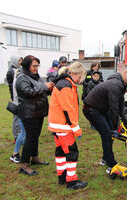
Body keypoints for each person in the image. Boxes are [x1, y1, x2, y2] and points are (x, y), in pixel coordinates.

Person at [83, 65, 127, 173]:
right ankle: (111, 164)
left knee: (109, 133)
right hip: (91, 109)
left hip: (100, 109)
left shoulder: (120, 84)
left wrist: (125, 123)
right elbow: (113, 107)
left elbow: (121, 105)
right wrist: (115, 126)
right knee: (107, 134)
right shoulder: (115, 84)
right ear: (125, 73)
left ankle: (106, 158)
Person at [48, 62, 87, 190]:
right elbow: (68, 110)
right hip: (63, 126)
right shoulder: (65, 85)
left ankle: (62, 177)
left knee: (60, 152)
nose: (80, 80)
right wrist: (76, 128)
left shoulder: (64, 83)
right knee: (72, 152)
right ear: (76, 73)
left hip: (57, 126)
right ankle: (71, 181)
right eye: (81, 76)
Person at [16, 55, 54, 176]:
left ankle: (35, 158)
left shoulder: (36, 77)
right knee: (30, 137)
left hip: (38, 111)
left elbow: (41, 90)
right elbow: (28, 92)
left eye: (38, 66)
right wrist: (44, 87)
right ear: (27, 65)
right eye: (34, 66)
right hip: (29, 113)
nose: (36, 68)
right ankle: (24, 165)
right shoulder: (22, 78)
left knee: (35, 136)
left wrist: (49, 88)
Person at [10, 59, 26, 163]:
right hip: (21, 108)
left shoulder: (19, 77)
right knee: (24, 132)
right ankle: (15, 154)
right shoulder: (20, 79)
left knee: (25, 132)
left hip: (23, 108)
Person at [6, 56, 23, 142]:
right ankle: (16, 137)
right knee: (16, 118)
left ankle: (20, 134)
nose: (21, 61)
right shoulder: (11, 72)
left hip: (20, 98)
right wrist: (14, 98)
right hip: (16, 98)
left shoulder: (19, 69)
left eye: (21, 60)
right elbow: (12, 87)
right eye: (19, 60)